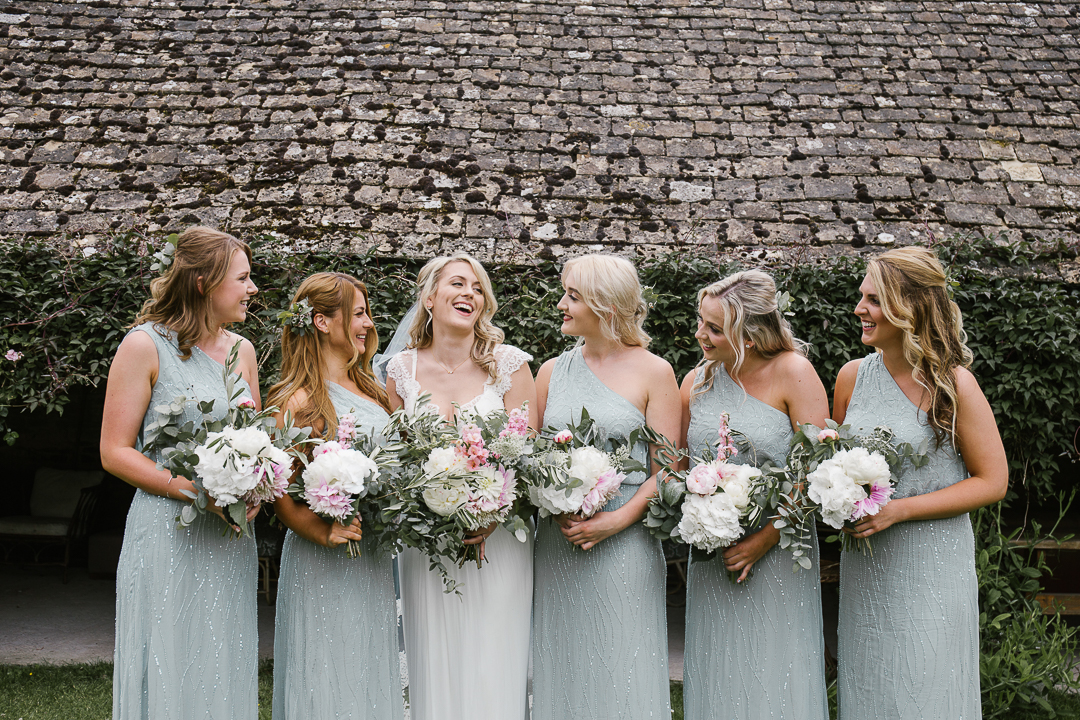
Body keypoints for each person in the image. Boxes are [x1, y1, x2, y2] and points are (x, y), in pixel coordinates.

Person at [832, 246, 1008, 720]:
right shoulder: (850, 378)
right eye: (861, 296)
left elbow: (992, 481)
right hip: (868, 564)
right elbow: (837, 465)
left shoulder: (953, 384)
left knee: (927, 687)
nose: (859, 309)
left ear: (908, 308)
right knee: (872, 683)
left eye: (873, 300)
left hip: (932, 564)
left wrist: (900, 509)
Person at [101, 226, 261, 720]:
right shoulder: (144, 345)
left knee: (220, 657)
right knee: (169, 656)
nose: (252, 288)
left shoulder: (243, 351)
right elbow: (114, 451)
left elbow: (255, 439)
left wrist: (256, 485)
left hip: (230, 535)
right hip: (167, 531)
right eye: (243, 278)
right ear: (203, 283)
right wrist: (192, 490)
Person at [385, 252, 537, 720]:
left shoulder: (509, 366)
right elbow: (397, 459)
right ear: (430, 298)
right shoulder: (400, 372)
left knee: (494, 661)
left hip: (499, 540)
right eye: (456, 283)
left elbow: (527, 454)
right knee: (435, 657)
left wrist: (490, 514)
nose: (468, 293)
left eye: (476, 287)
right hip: (426, 548)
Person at [531, 254, 680, 720]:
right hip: (560, 543)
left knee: (623, 661)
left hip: (625, 543)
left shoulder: (655, 372)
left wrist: (615, 520)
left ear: (604, 305)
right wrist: (554, 505)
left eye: (572, 296)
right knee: (566, 661)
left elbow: (668, 469)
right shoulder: (550, 372)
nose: (560, 304)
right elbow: (531, 459)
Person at [680, 270, 829, 720]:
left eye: (713, 327)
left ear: (749, 332)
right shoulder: (698, 381)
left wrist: (762, 541)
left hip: (779, 550)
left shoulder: (794, 373)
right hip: (711, 551)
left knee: (773, 670)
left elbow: (818, 469)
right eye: (701, 322)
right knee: (719, 666)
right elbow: (680, 467)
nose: (700, 334)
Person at [266, 273, 403, 720]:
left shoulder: (374, 391)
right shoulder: (295, 400)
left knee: (370, 667)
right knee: (325, 669)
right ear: (322, 322)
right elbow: (280, 493)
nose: (367, 323)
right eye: (358, 313)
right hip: (323, 558)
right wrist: (322, 532)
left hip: (376, 555)